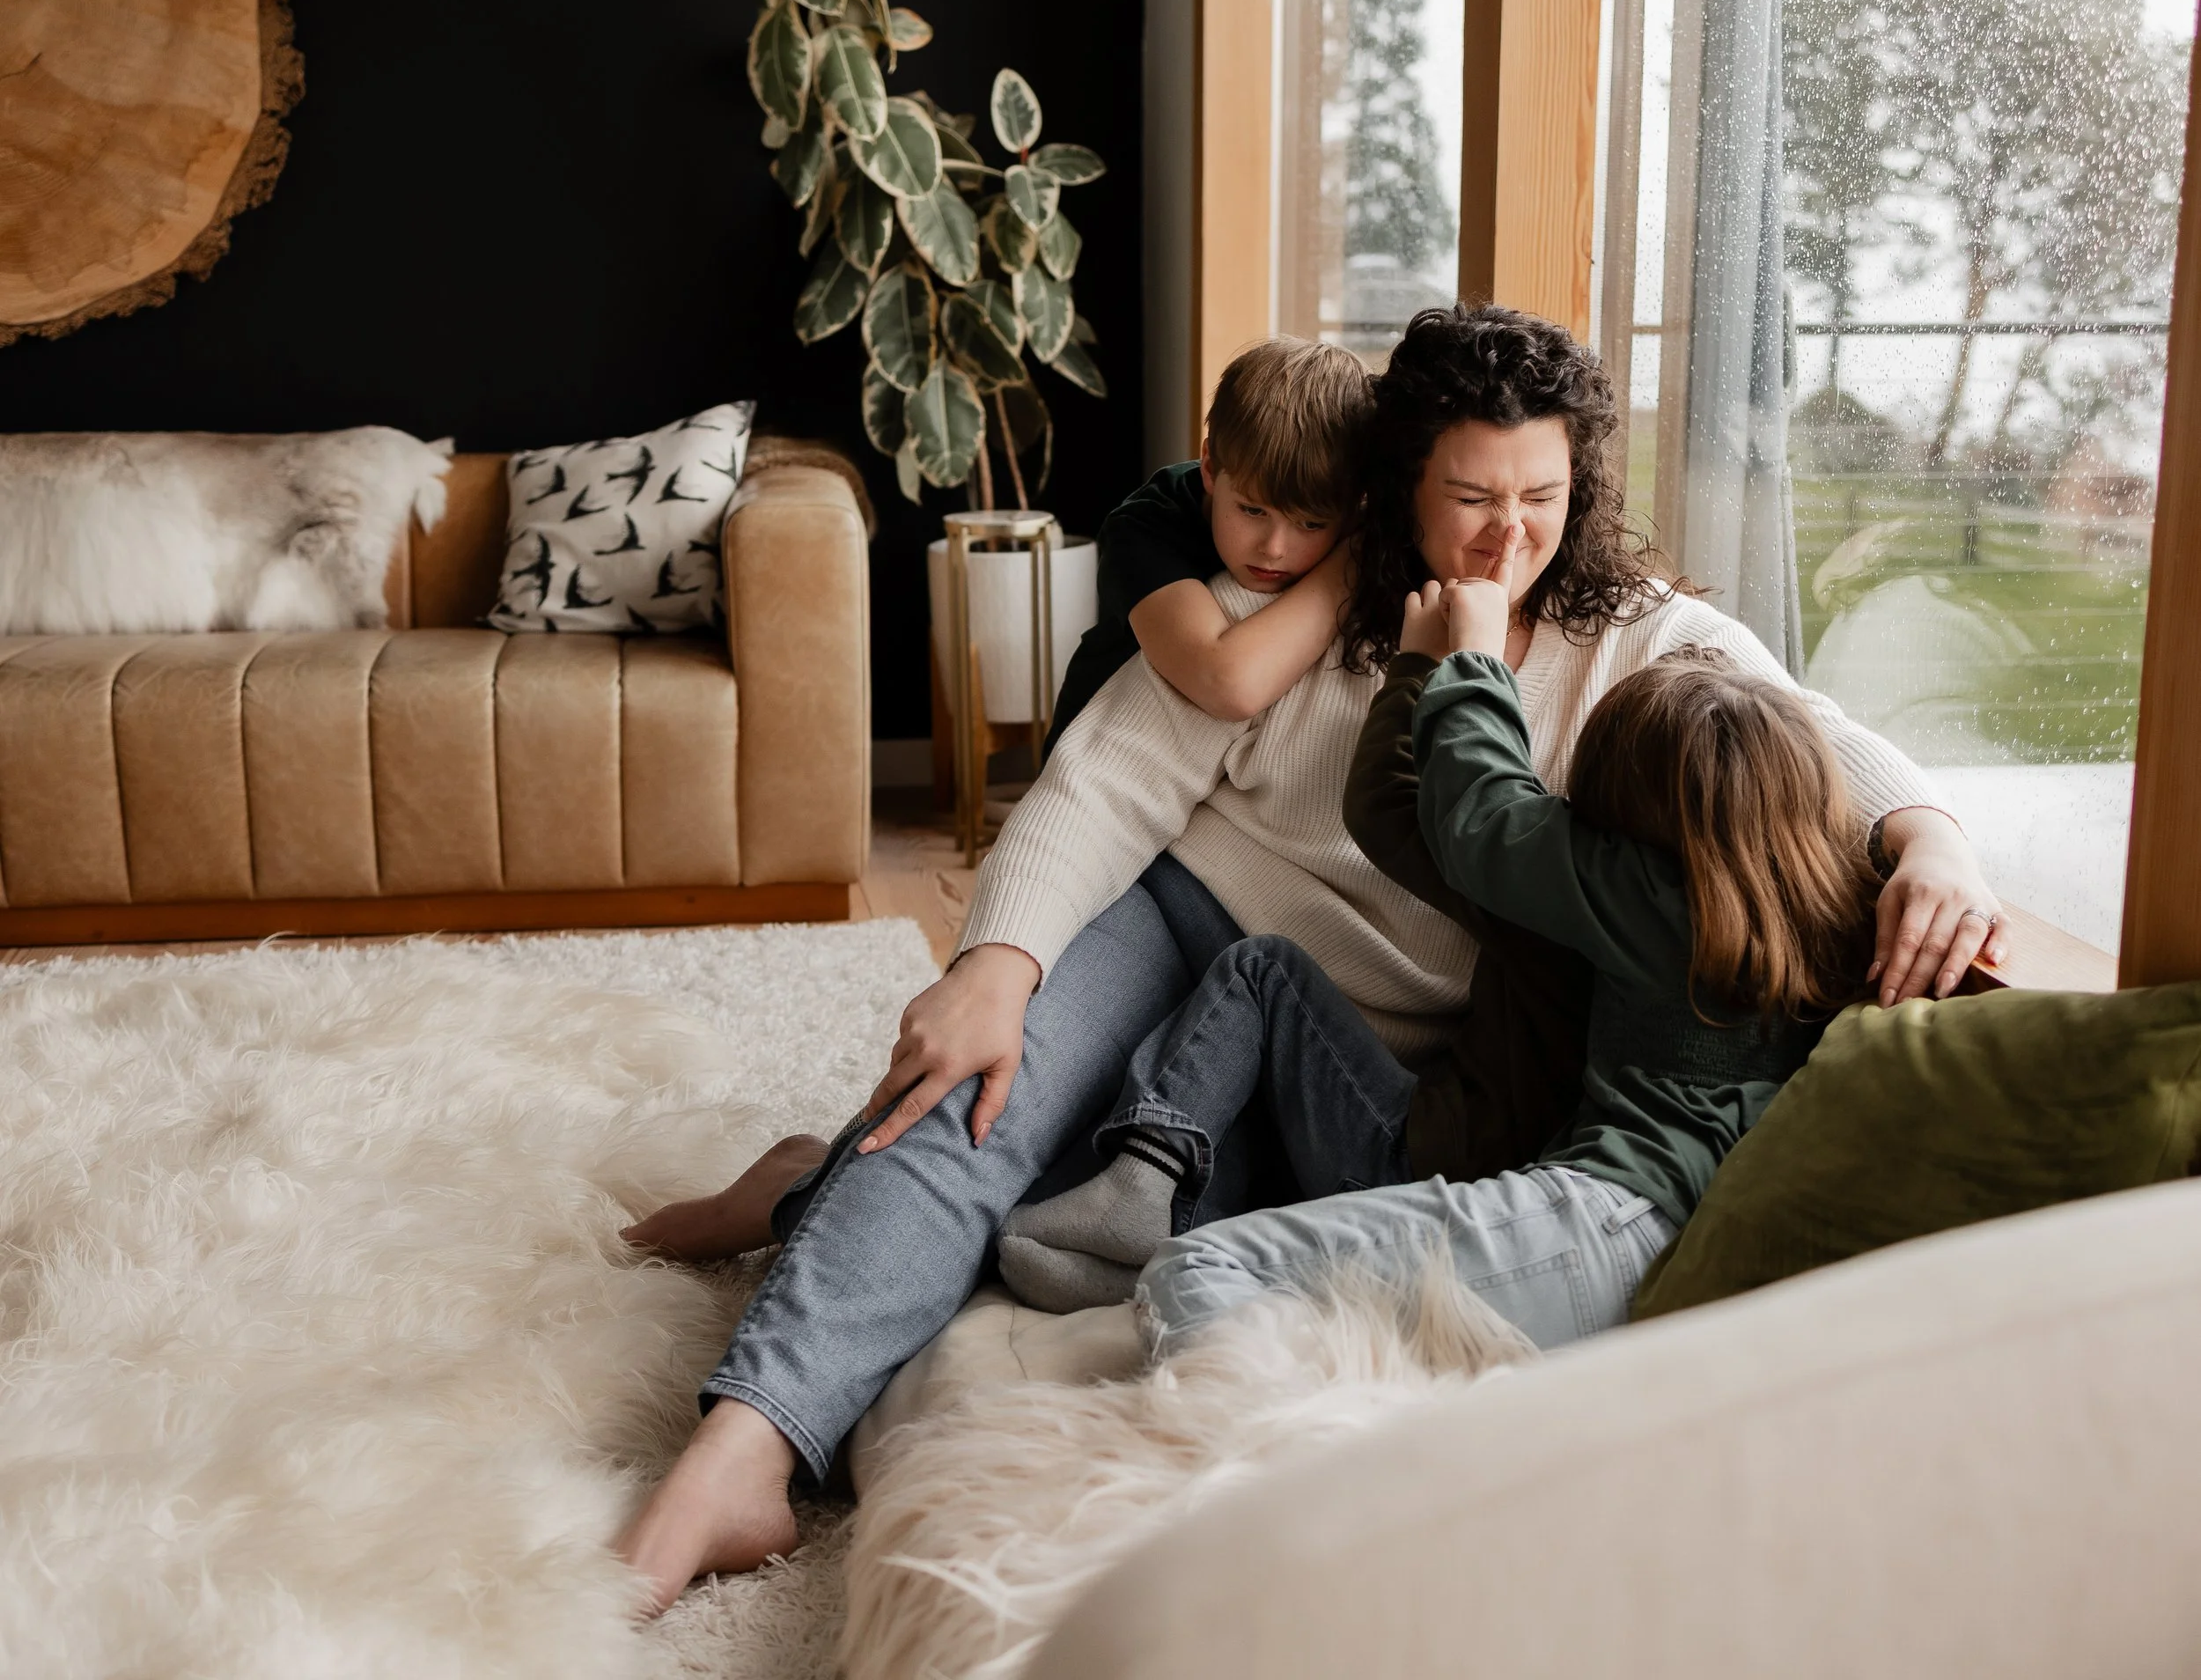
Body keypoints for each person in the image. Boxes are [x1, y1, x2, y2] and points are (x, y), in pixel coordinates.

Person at [613, 304, 2001, 1611]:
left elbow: (1813, 733)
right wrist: (999, 964)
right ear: (1404, 487)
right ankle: (742, 1457)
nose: (1509, 532)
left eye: (1542, 494)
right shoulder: (1288, 613)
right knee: (975, 1101)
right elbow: (1106, 783)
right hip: (1193, 919)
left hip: (1375, 1053)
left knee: (1064, 1203)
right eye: (1472, 496)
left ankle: (804, 1184)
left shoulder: (1639, 638)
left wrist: (1931, 837)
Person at [1120, 595, 1885, 1355]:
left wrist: (1464, 656)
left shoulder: (1619, 891)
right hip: (1699, 1240)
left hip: (1594, 1216)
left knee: (1192, 1266)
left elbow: (1473, 809)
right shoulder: (1844, 911)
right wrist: (1924, 840)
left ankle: (1147, 1198)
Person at [1044, 337, 1370, 750]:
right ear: (1211, 469)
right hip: (1097, 755)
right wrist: (1353, 561)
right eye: (1252, 510)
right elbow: (1229, 685)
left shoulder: (1345, 507)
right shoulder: (1144, 528)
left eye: (1310, 523)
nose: (1274, 548)